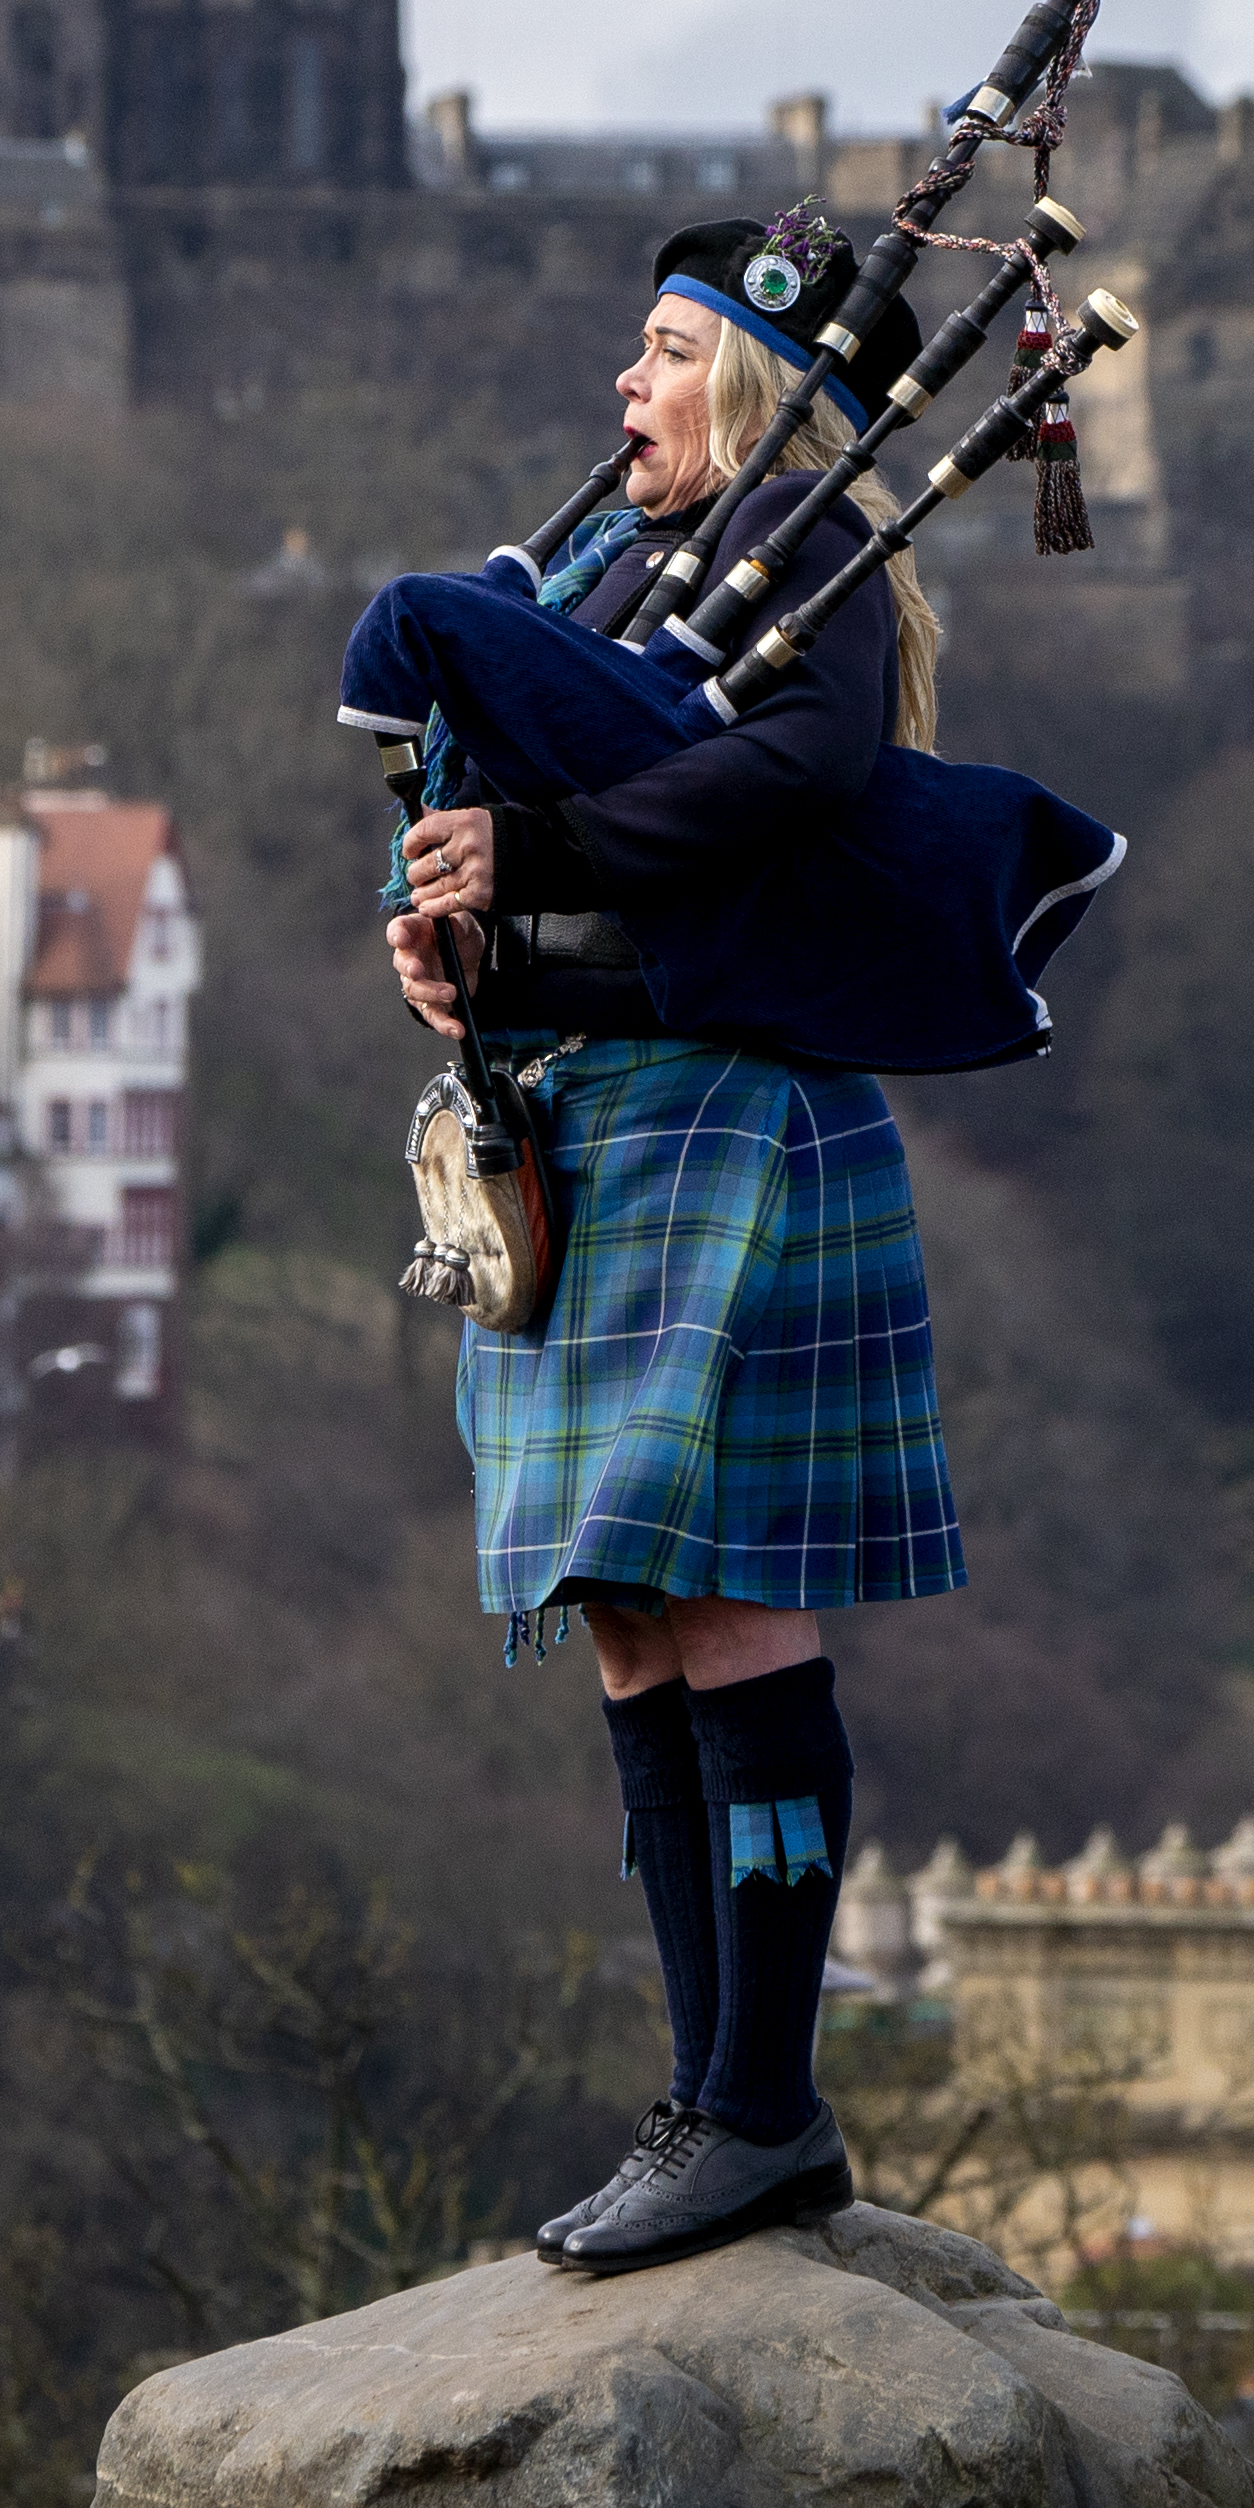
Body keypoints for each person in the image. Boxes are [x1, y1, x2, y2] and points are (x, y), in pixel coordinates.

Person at [383, 213, 956, 2278]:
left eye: (656, 350)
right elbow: (511, 794)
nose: (620, 388)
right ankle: (707, 2093)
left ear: (746, 375)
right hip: (590, 1126)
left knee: (726, 1610)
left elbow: (797, 774)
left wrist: (533, 846)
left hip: (731, 1116)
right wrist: (451, 926)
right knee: (627, 1614)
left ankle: (767, 2105)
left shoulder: (817, 549)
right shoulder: (626, 583)